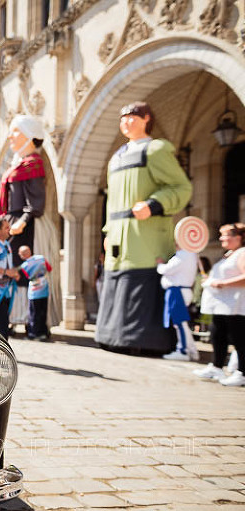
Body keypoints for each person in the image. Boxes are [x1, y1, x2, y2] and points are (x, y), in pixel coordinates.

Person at [96, 102, 192, 354]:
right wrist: (107, 232)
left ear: (147, 118)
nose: (126, 122)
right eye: (123, 118)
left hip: (146, 239)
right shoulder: (116, 157)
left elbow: (181, 188)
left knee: (140, 281)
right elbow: (110, 202)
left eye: (132, 117)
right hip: (118, 238)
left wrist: (154, 204)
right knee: (116, 280)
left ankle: (145, 343)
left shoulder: (156, 149)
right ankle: (113, 337)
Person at [193, 223, 245, 386]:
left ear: (238, 238)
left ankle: (242, 373)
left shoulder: (242, 253)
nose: (221, 238)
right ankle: (216, 367)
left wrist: (221, 283)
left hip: (235, 306)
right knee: (217, 335)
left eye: (226, 235)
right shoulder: (228, 254)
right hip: (222, 305)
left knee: (239, 339)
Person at [0, 115, 46, 267]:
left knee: (21, 267)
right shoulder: (18, 165)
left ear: (29, 135)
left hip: (25, 225)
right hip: (11, 222)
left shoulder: (33, 164)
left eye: (16, 131)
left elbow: (36, 200)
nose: (10, 136)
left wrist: (22, 222)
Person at [157, 244, 199, 361]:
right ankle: (191, 350)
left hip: (178, 291)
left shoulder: (183, 255)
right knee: (181, 323)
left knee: (180, 323)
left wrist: (160, 264)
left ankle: (183, 350)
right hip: (180, 291)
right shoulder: (190, 255)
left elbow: (166, 270)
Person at [18, 245, 52, 340]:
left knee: (33, 312)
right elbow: (49, 269)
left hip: (34, 290)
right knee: (43, 311)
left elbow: (26, 276)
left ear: (23, 255)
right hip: (44, 287)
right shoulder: (41, 258)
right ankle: (43, 332)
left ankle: (34, 333)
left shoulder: (24, 266)